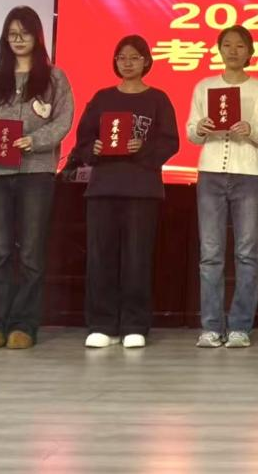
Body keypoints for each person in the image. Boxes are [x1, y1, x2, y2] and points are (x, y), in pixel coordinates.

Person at [0, 6, 73, 350]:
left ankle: (24, 325)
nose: (18, 40)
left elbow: (63, 120)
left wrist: (35, 140)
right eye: (12, 34)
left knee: (30, 252)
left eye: (24, 33)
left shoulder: (55, 79)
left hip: (36, 173)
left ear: (37, 37)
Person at [72, 36, 179, 349]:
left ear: (146, 61)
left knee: (137, 259)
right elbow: (82, 140)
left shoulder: (158, 99)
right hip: (103, 189)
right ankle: (101, 324)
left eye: (134, 57)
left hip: (142, 191)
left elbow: (170, 141)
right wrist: (93, 149)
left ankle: (135, 324)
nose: (127, 62)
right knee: (100, 258)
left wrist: (142, 148)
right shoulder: (102, 98)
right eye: (121, 57)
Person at [186, 26, 258, 348]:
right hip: (210, 174)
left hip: (248, 174)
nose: (233, 51)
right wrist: (201, 128)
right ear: (219, 50)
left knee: (246, 252)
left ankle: (240, 326)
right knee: (211, 254)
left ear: (250, 51)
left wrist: (251, 130)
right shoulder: (204, 86)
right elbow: (191, 133)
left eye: (240, 46)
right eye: (227, 45)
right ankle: (211, 327)